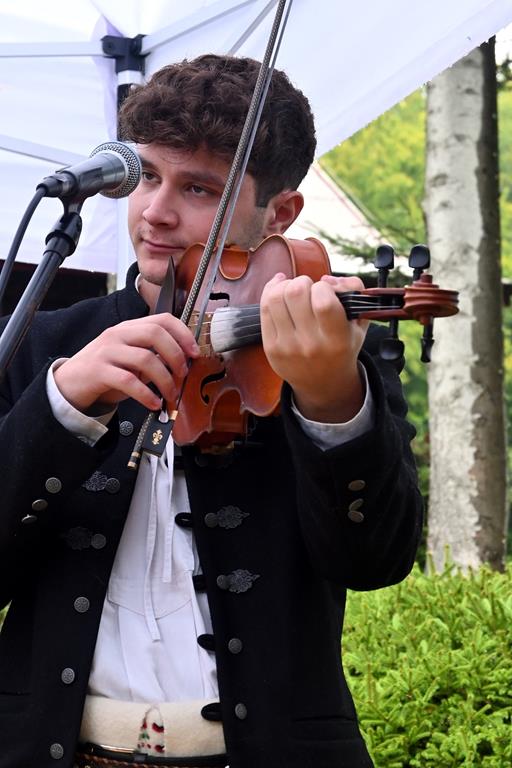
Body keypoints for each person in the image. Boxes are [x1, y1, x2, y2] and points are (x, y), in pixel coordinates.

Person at [0, 54, 423, 768]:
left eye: (198, 188)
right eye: (146, 177)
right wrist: (62, 407)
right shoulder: (45, 344)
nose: (156, 212)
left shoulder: (331, 350)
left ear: (280, 212)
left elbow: (375, 559)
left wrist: (328, 399)